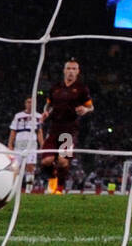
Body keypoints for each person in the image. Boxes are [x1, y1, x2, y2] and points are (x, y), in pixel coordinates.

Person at [40, 59, 93, 194]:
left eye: (74, 69)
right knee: (47, 160)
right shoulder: (55, 88)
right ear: (64, 70)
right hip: (53, 128)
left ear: (78, 72)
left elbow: (91, 107)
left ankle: (60, 187)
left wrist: (85, 110)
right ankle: (52, 179)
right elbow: (48, 105)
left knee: (63, 161)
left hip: (69, 130)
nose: (71, 71)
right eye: (68, 68)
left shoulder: (81, 89)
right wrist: (45, 112)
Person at [7, 96, 41, 193]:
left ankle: (28, 189)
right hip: (19, 144)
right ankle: (15, 188)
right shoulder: (18, 116)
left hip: (32, 144)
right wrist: (10, 144)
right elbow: (13, 130)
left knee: (30, 166)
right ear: (25, 104)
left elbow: (40, 132)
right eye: (28, 102)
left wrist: (43, 144)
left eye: (32, 102)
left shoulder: (38, 116)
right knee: (17, 166)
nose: (30, 104)